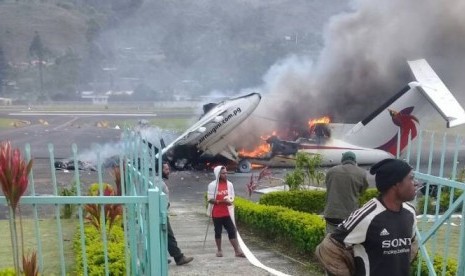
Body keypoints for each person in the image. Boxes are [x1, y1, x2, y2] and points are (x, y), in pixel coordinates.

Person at [316, 158, 418, 276]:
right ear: (395, 183)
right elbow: (328, 247)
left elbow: (412, 244)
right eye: (410, 178)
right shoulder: (368, 216)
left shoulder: (410, 212)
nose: (415, 183)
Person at [323, 151, 369, 234]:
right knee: (347, 242)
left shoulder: (331, 171)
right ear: (355, 161)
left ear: (342, 160)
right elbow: (362, 192)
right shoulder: (361, 173)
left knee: (330, 241)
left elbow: (328, 186)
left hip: (331, 214)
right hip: (350, 216)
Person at [206, 165, 246, 258]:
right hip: (217, 213)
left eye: (226, 173)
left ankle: (237, 251)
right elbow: (210, 199)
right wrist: (221, 201)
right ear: (218, 174)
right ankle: (219, 250)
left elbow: (232, 196)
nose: (225, 175)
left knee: (232, 231)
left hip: (227, 212)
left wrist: (230, 201)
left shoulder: (230, 184)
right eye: (223, 173)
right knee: (218, 231)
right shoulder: (212, 185)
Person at [160, 162, 194, 266]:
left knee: (161, 236)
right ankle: (179, 258)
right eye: (166, 169)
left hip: (160, 212)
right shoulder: (159, 183)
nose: (168, 171)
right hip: (160, 213)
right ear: (160, 170)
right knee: (169, 236)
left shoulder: (158, 181)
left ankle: (161, 258)